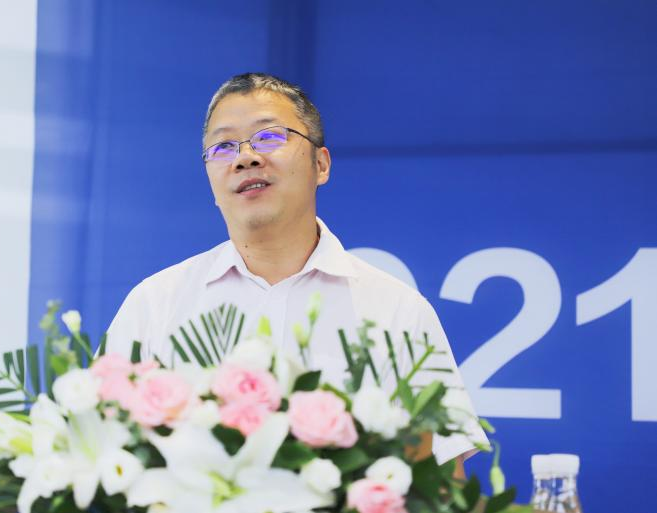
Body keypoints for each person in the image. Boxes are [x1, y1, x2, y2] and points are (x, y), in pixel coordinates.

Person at [105, 72, 488, 474]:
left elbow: (442, 481)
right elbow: (105, 453)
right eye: (223, 147)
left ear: (320, 164)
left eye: (269, 137)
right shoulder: (156, 304)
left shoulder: (397, 311)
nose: (245, 158)